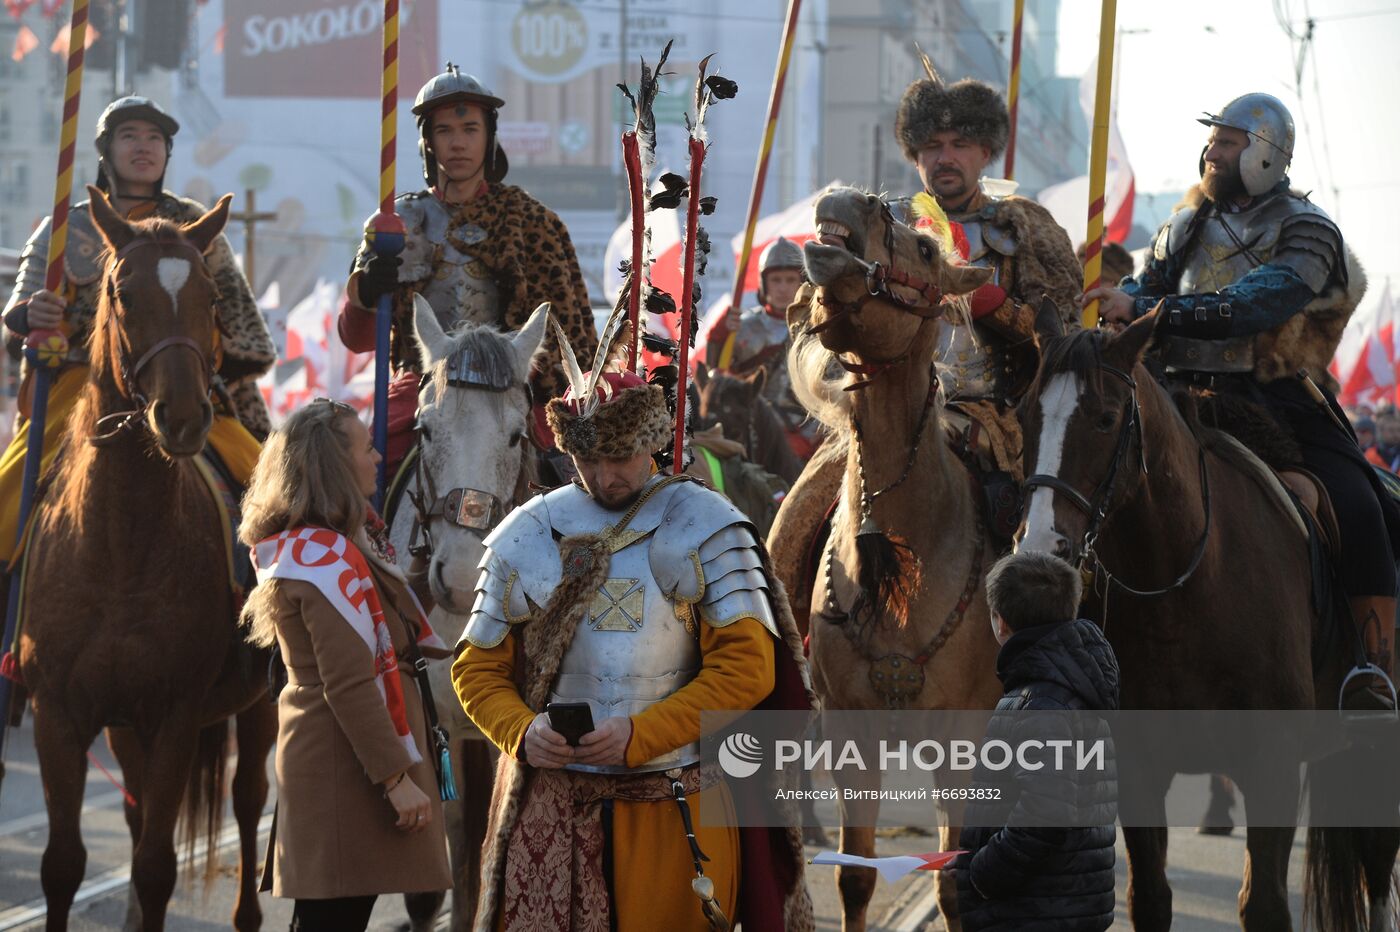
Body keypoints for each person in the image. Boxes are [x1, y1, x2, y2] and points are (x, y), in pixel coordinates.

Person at [451, 321, 814, 931]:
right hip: (553, 805)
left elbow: (748, 669)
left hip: (677, 803)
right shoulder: (527, 530)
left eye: (618, 457)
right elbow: (477, 667)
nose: (604, 476)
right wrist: (520, 729)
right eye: (587, 459)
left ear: (649, 445)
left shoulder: (705, 524)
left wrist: (640, 734)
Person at [1086, 92, 1397, 710]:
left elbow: (1263, 300)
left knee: (1362, 507)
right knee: (1079, 481)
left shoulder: (1308, 228)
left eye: (1227, 141)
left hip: (1274, 396)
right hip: (1174, 389)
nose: (1212, 152)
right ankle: (1065, 647)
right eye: (1213, 140)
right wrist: (1116, 297)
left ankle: (1369, 667)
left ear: (1264, 153)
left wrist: (1154, 310)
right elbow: (1145, 287)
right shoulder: (1184, 223)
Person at [0, 95, 275, 571]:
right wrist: (33, 311)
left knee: (271, 491)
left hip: (180, 377)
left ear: (168, 152)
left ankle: (268, 610)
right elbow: (17, 310)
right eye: (130, 136)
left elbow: (241, 327)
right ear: (106, 151)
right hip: (79, 381)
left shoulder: (195, 222)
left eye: (155, 138)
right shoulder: (64, 227)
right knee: (12, 488)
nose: (143, 147)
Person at [240, 399, 451, 931]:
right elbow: (350, 683)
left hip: (348, 760)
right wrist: (394, 777)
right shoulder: (322, 560)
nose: (378, 457)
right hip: (347, 767)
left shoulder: (340, 545)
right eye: (366, 447)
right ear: (335, 465)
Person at [340, 63, 598, 481]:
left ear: (489, 136)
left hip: (511, 383)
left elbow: (572, 335)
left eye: (470, 130)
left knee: (571, 481)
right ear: (428, 142)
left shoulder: (533, 222)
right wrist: (368, 292)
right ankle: (374, 544)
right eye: (444, 131)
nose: (458, 143)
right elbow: (355, 339)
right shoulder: (395, 222)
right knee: (368, 472)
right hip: (425, 382)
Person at [890, 71, 1081, 482]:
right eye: (932, 146)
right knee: (804, 510)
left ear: (985, 152)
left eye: (960, 145)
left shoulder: (1023, 226)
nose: (945, 157)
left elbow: (1061, 336)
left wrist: (995, 305)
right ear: (916, 156)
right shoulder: (886, 226)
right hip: (890, 405)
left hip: (996, 413)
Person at [953, 550, 1118, 932]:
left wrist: (981, 872)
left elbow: (1045, 814)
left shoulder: (1041, 702)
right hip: (1064, 900)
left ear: (1000, 622)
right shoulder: (1073, 684)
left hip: (1034, 910)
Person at [703, 237, 816, 458]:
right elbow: (715, 376)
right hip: (751, 430)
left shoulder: (816, 328)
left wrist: (811, 437)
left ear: (802, 282)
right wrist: (719, 337)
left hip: (805, 431)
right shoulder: (743, 327)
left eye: (790, 280)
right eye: (776, 280)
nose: (783, 288)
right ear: (764, 283)